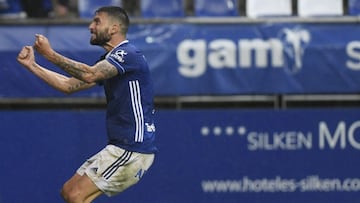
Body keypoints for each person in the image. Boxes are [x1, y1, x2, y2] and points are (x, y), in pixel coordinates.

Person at [17, 6, 157, 203]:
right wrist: (33, 65)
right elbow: (67, 85)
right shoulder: (110, 61)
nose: (91, 26)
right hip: (122, 146)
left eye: (97, 21)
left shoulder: (128, 54)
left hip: (133, 148)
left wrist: (49, 54)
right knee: (69, 192)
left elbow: (89, 74)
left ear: (114, 28)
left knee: (76, 195)